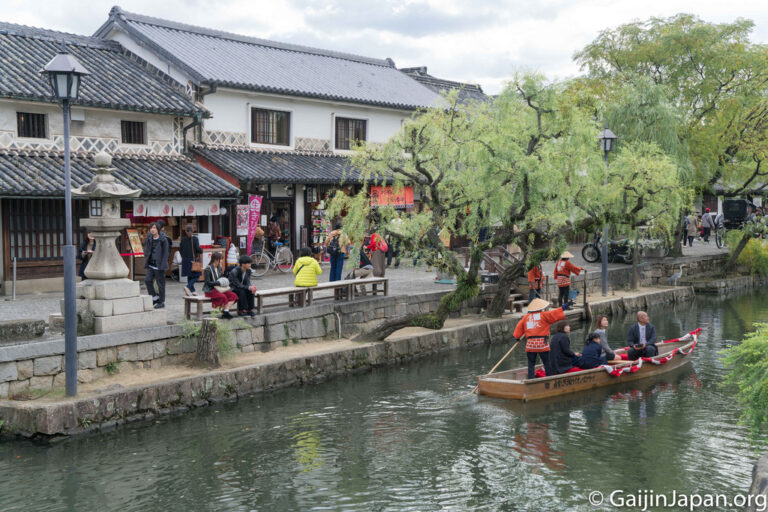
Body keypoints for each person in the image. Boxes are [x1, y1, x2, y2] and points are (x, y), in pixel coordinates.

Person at [513, 298, 569, 379]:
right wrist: (565, 306)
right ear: (540, 308)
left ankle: (531, 379)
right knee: (547, 363)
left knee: (531, 364)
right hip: (542, 344)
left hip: (531, 344)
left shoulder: (526, 317)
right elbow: (555, 313)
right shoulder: (544, 315)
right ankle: (549, 378)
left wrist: (517, 337)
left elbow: (518, 328)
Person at [143, 221, 170, 309]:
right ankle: (155, 298)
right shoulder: (149, 238)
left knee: (160, 284)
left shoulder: (163, 240)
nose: (152, 229)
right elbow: (146, 247)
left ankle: (161, 302)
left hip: (159, 265)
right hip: (151, 264)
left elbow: (165, 253)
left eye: (154, 228)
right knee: (147, 280)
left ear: (158, 229)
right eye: (151, 228)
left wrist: (163, 265)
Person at [203, 252, 237, 319]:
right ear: (215, 260)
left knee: (233, 295)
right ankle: (225, 313)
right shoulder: (208, 269)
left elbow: (221, 279)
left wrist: (225, 279)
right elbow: (207, 282)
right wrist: (218, 283)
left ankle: (226, 311)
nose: (221, 261)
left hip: (219, 288)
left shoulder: (219, 268)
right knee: (223, 296)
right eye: (220, 259)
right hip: (210, 290)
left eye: (221, 259)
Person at [179, 225, 203, 296]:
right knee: (197, 275)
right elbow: (198, 249)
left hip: (185, 260)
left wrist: (184, 256)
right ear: (193, 231)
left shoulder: (183, 239)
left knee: (189, 276)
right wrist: (202, 250)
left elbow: (180, 250)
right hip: (193, 260)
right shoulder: (195, 239)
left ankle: (193, 291)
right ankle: (187, 287)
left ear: (185, 231)